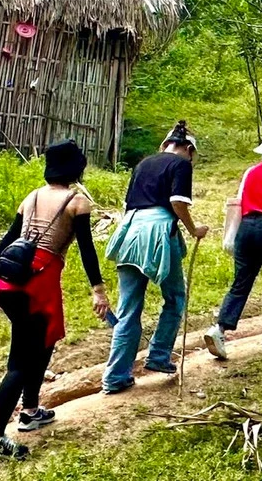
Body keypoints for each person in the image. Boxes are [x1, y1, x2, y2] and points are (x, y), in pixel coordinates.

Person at [0, 139, 107, 463]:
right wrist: (98, 290)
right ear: (77, 168)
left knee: (43, 343)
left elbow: (8, 238)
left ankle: (30, 411)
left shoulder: (31, 196)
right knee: (21, 362)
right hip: (36, 285)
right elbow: (87, 249)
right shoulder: (77, 202)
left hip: (8, 280)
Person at [102, 122, 206, 392]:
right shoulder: (181, 165)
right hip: (159, 233)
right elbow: (177, 202)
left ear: (165, 144)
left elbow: (128, 204)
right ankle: (159, 355)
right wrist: (194, 229)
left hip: (129, 231)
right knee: (175, 297)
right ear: (188, 149)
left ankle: (115, 377)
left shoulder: (143, 164)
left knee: (128, 309)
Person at [202, 126, 262, 360]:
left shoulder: (250, 172)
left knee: (241, 281)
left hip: (246, 229)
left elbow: (239, 200)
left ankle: (219, 329)